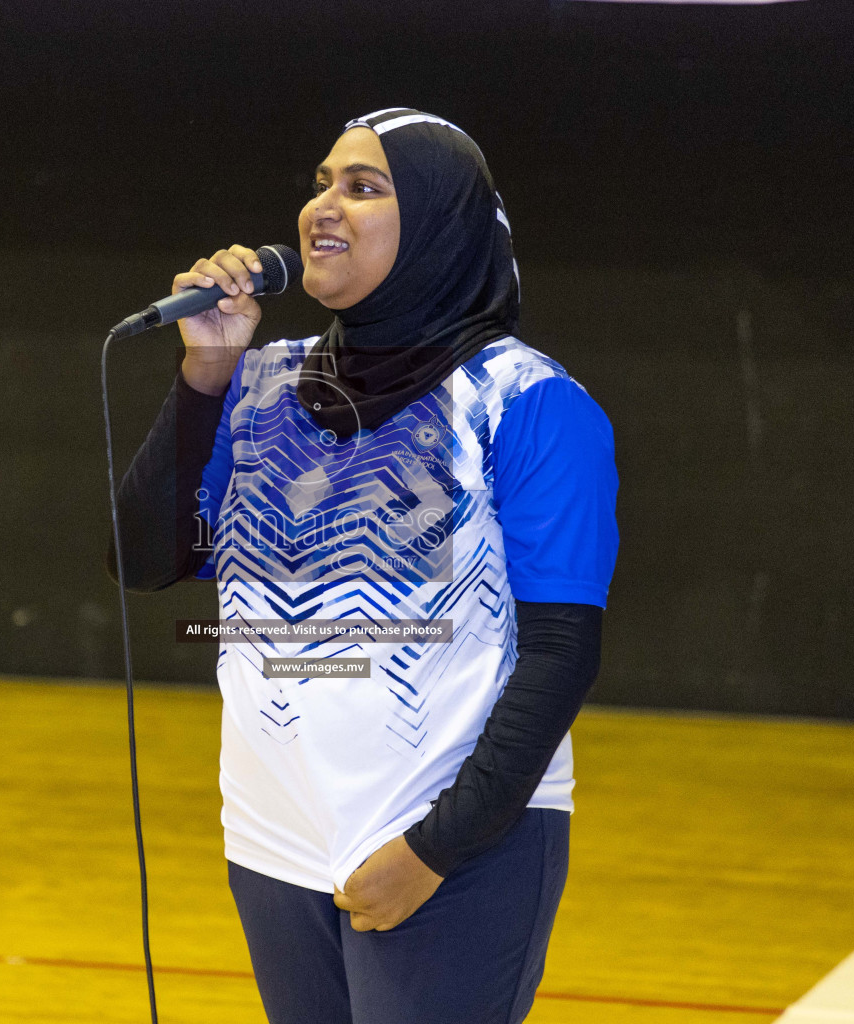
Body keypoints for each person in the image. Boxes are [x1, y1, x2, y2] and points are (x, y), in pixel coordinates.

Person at [106, 108, 619, 1024]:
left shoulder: (529, 401)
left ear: (436, 224)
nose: (323, 207)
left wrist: (433, 851)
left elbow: (561, 654)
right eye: (320, 182)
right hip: (275, 839)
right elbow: (147, 559)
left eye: (364, 186)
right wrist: (204, 377)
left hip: (454, 842)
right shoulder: (259, 379)